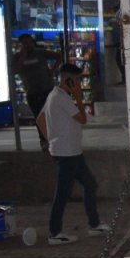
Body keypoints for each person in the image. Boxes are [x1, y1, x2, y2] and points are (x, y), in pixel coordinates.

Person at [36, 63, 111, 246]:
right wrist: (78, 96)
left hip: (71, 152)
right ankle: (55, 233)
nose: (78, 82)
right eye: (77, 79)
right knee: (62, 194)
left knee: (90, 185)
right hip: (67, 154)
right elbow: (82, 119)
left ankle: (94, 224)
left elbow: (39, 120)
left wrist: (52, 140)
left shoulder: (54, 95)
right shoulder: (62, 98)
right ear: (67, 79)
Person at [14, 34, 55, 151]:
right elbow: (13, 71)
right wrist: (22, 58)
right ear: (21, 45)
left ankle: (53, 138)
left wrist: (52, 70)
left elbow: (58, 56)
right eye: (24, 43)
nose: (27, 45)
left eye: (29, 42)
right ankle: (44, 140)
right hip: (33, 92)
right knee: (39, 117)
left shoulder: (40, 53)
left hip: (47, 89)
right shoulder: (17, 57)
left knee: (51, 115)